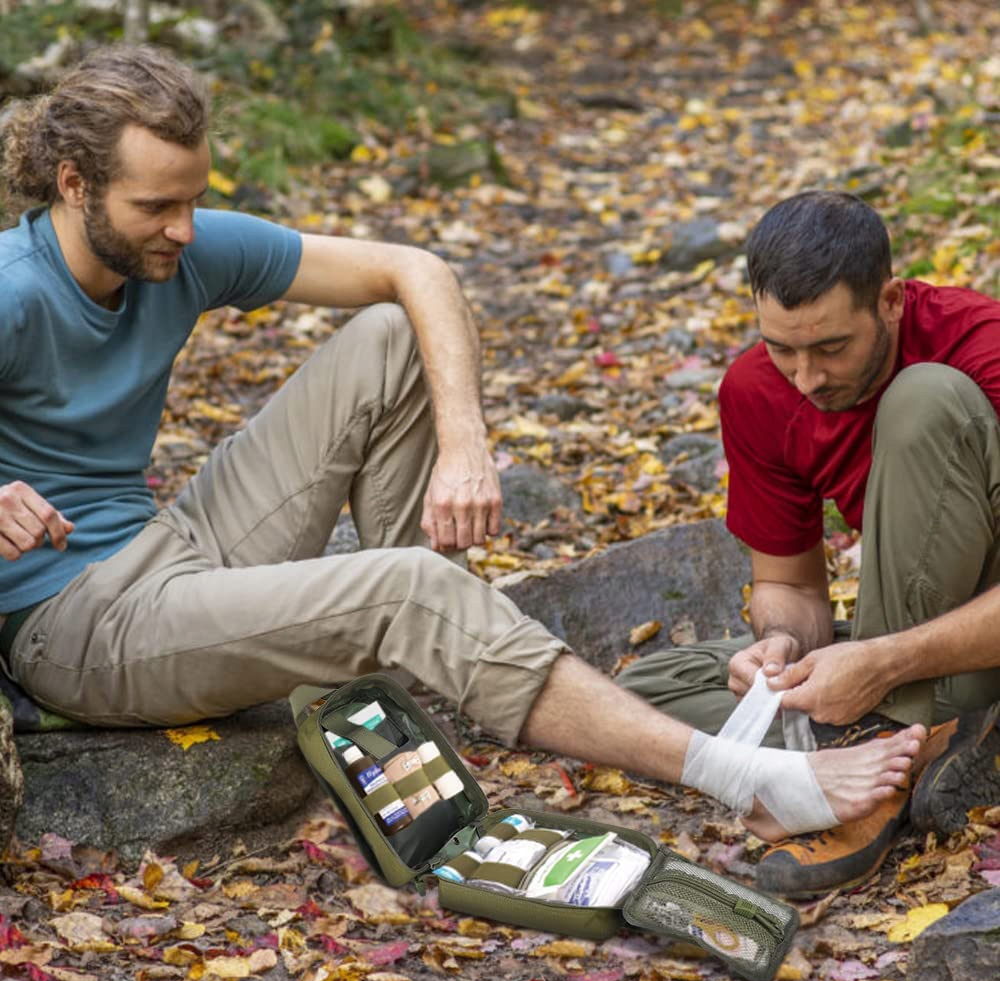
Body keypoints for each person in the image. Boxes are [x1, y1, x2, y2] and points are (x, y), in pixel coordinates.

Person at [0, 46, 924, 858]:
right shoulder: (15, 291)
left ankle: (405, 654)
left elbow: (416, 271)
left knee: (388, 335)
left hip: (169, 550)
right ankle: (745, 777)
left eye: (196, 201)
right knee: (406, 585)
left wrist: (465, 446)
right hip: (74, 622)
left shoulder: (180, 250)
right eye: (158, 206)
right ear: (75, 185)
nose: (186, 230)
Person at [619, 190, 1000, 896]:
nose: (806, 378)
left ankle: (876, 768)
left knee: (922, 398)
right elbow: (789, 586)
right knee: (643, 692)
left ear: (889, 300)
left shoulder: (980, 343)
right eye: (782, 347)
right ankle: (929, 739)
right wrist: (783, 649)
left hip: (965, 634)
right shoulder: (758, 392)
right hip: (929, 645)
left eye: (831, 347)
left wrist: (886, 662)